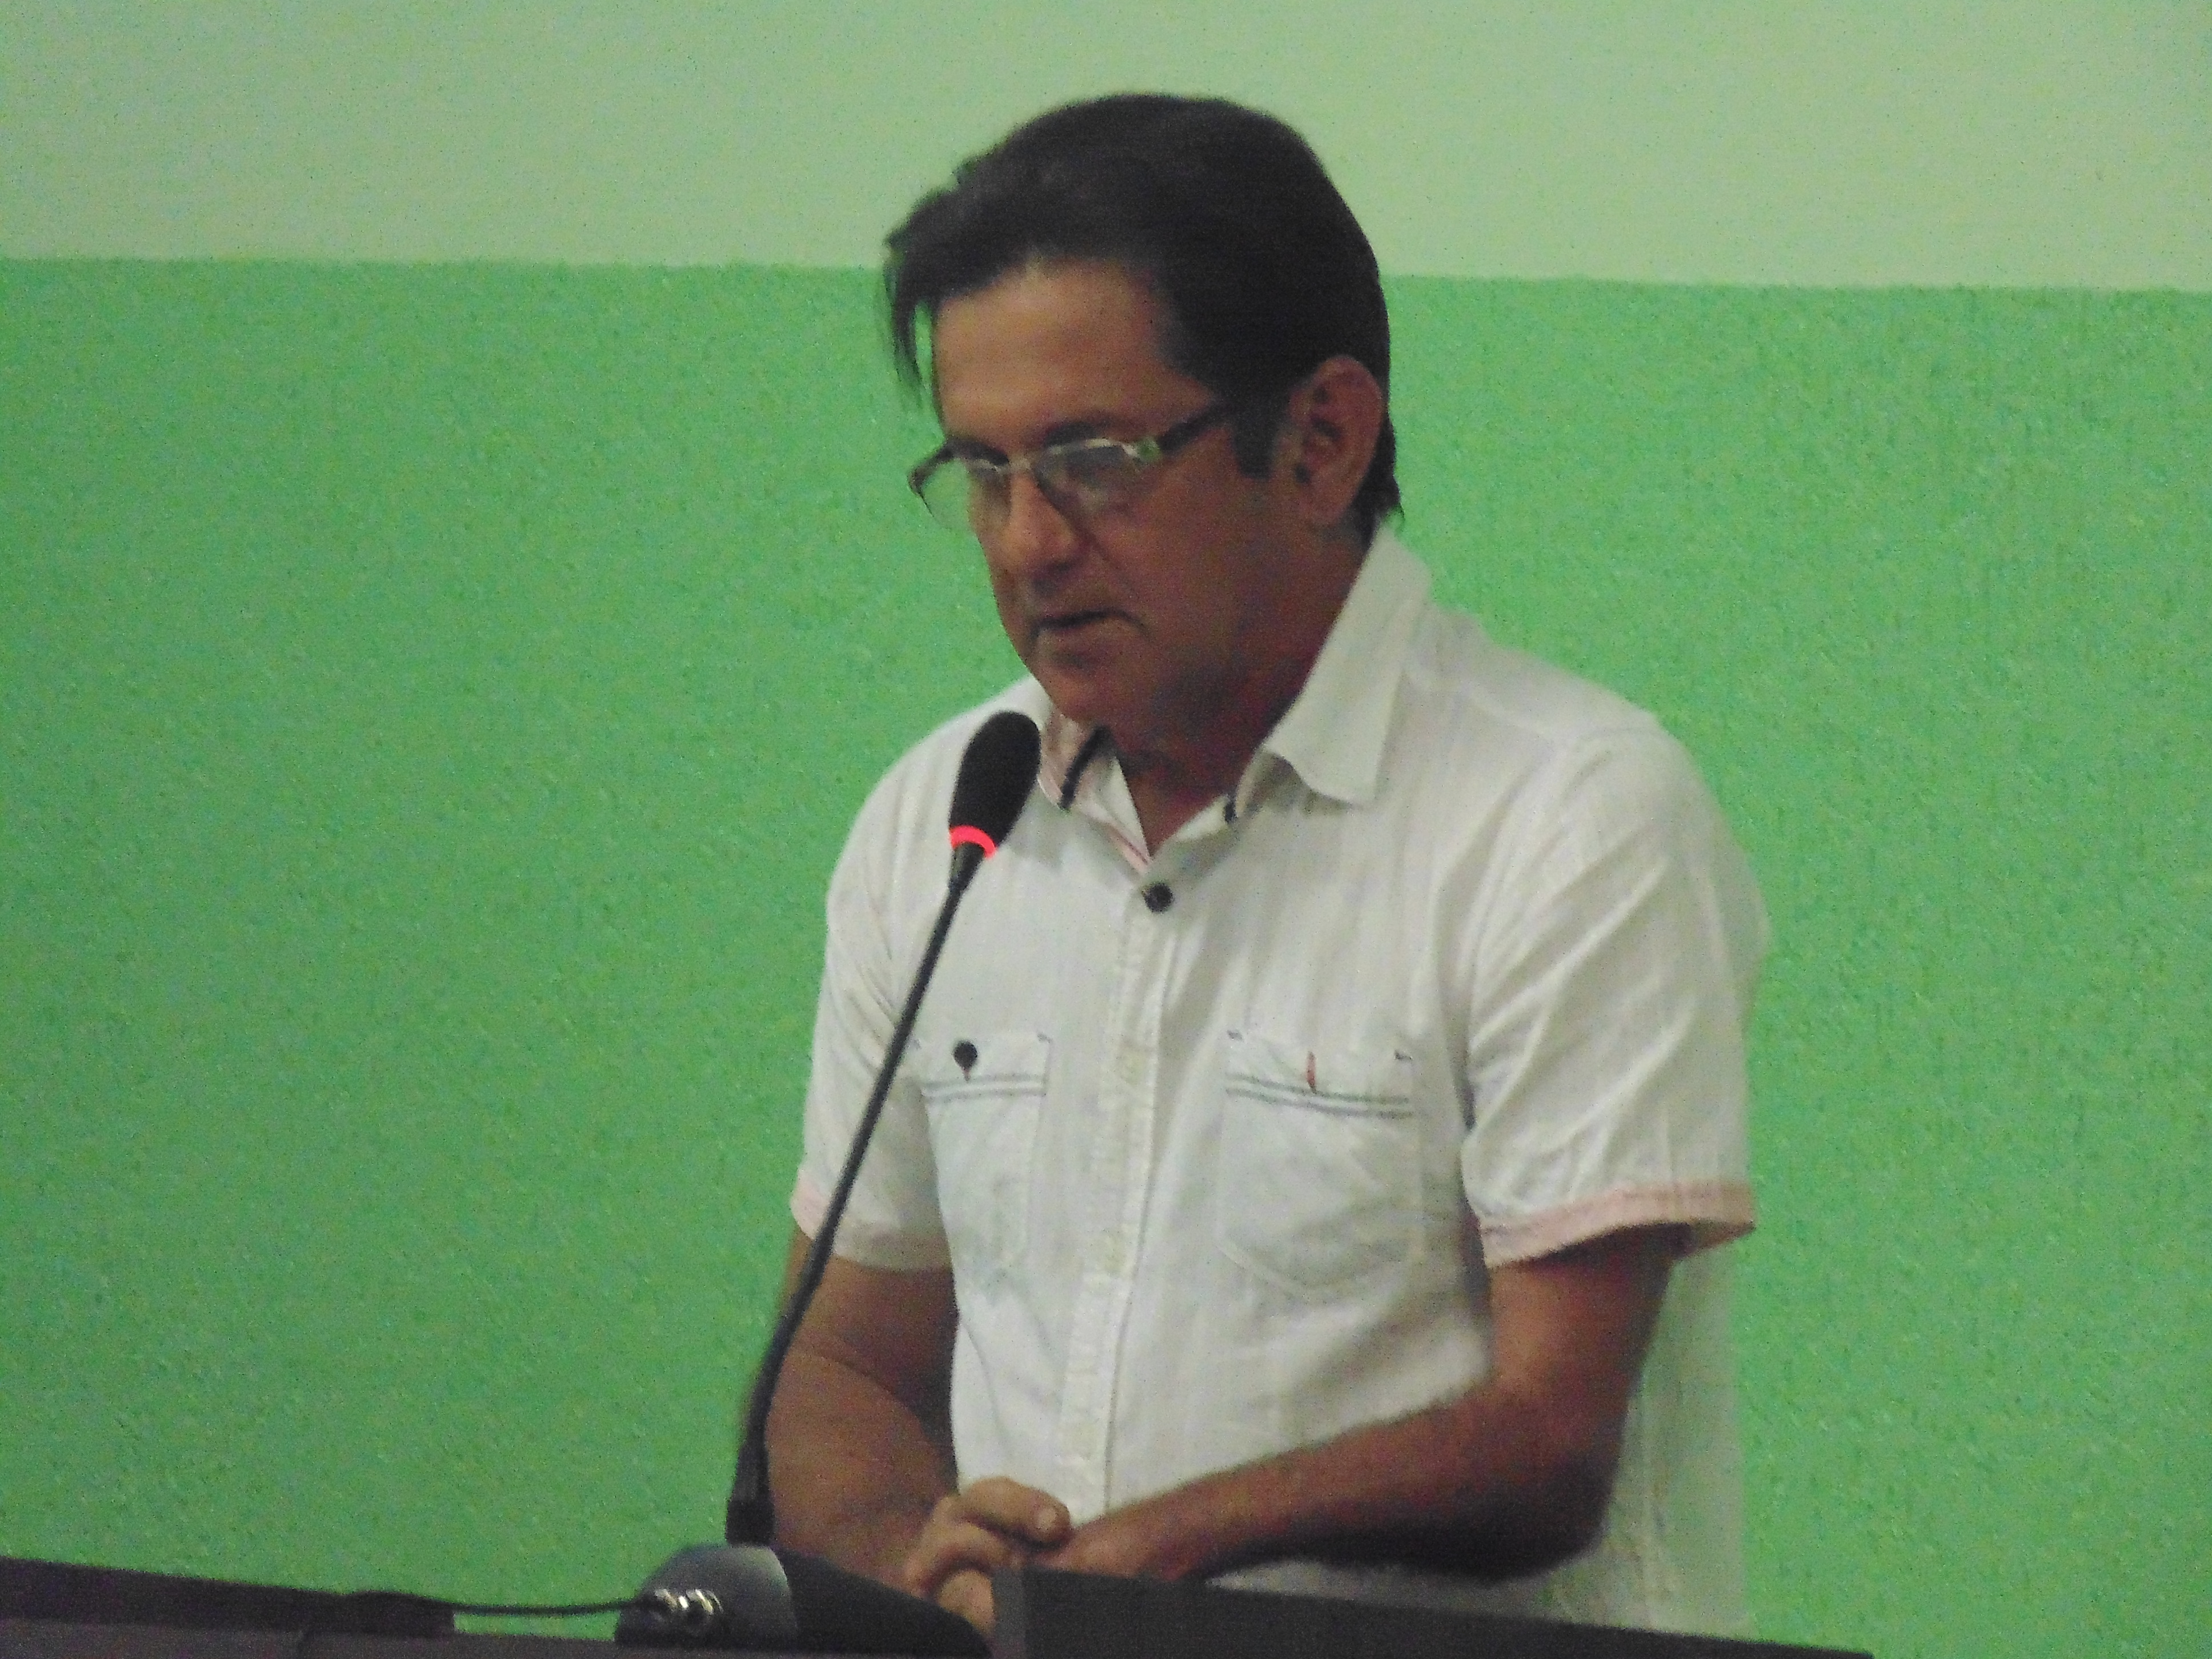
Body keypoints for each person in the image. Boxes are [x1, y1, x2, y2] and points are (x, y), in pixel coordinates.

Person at [768, 94, 1766, 1640]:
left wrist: (1155, 1560)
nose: (1028, 543)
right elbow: (842, 1367)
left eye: (1092, 460)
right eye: (982, 469)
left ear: (1320, 443)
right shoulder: (944, 822)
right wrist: (920, 1557)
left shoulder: (1568, 817)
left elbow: (1551, 1441)